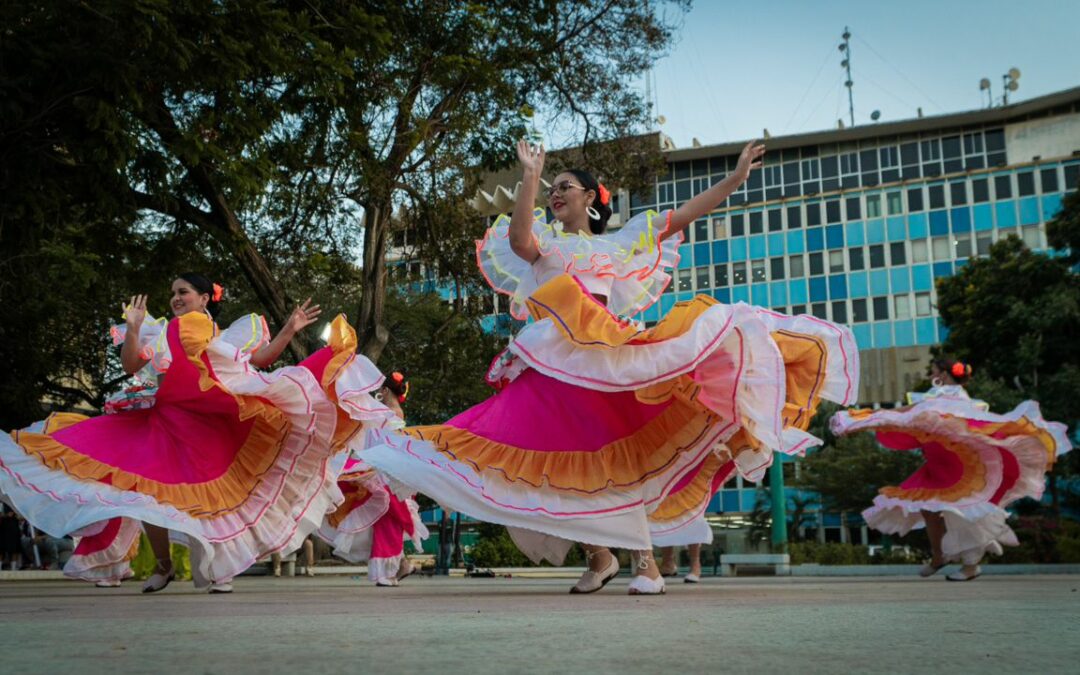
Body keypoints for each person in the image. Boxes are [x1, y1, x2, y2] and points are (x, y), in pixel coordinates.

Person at [363, 139, 856, 595]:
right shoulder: (545, 246)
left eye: (565, 187)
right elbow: (518, 238)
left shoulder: (616, 245)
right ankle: (600, 557)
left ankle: (646, 565)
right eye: (551, 189)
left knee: (611, 458)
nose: (556, 194)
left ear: (590, 199)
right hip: (548, 363)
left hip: (603, 359)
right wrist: (529, 175)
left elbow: (684, 214)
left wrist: (735, 178)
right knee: (548, 459)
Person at [0, 274, 344, 593]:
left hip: (205, 425)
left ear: (204, 298)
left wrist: (289, 329)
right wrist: (134, 327)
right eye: (173, 293)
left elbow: (261, 359)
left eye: (183, 292)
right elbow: (131, 364)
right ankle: (163, 565)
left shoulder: (220, 336)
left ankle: (218, 570)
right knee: (147, 492)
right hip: (164, 421)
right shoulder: (167, 330)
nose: (176, 298)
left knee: (208, 497)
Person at [831, 358, 1072, 580]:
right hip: (939, 465)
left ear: (943, 375)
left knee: (962, 513)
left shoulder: (945, 396)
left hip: (956, 468)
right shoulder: (954, 398)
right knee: (929, 509)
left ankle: (970, 564)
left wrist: (863, 419)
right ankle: (940, 557)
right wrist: (865, 419)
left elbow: (906, 414)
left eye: (933, 371)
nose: (931, 376)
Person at [313, 369, 429, 587]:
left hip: (387, 474)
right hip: (383, 472)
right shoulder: (388, 412)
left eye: (380, 389)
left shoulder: (391, 413)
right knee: (383, 521)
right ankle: (399, 566)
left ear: (385, 390)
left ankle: (391, 570)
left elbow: (388, 447)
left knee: (387, 520)